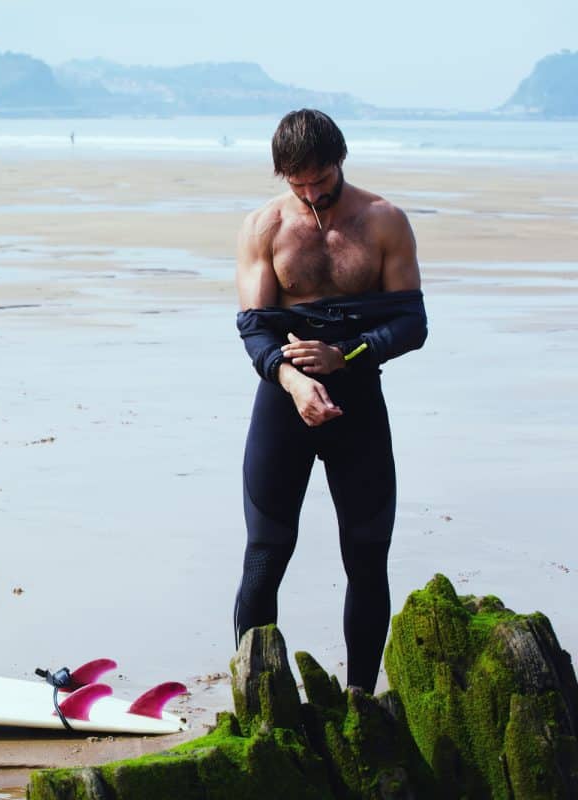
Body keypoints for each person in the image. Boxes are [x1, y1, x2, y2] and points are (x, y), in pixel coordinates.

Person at [232, 109, 428, 693]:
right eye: (298, 183)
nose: (312, 194)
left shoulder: (383, 221)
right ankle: (258, 700)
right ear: (281, 175)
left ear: (340, 160)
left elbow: (412, 323)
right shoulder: (263, 227)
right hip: (283, 403)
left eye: (321, 179)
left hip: (358, 406)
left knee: (366, 558)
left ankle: (361, 701)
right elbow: (255, 329)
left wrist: (349, 359)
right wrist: (293, 382)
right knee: (266, 554)